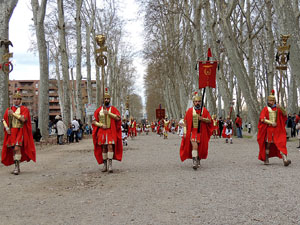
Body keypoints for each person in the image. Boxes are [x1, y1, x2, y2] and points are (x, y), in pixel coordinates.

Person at [1, 89, 36, 175]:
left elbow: (23, 119)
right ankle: (17, 166)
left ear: (20, 100)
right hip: (12, 132)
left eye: (18, 99)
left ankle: (16, 167)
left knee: (17, 148)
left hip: (20, 131)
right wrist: (6, 128)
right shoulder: (9, 109)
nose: (16, 101)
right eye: (14, 99)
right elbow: (3, 120)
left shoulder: (24, 109)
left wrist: (13, 114)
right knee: (13, 149)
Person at [92, 88, 123, 173]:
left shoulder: (113, 109)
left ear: (109, 100)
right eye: (105, 99)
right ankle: (105, 165)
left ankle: (110, 165)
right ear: (103, 100)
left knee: (110, 146)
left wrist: (108, 113)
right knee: (103, 148)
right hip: (102, 132)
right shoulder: (98, 110)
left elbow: (118, 118)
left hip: (110, 131)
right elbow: (94, 121)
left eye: (108, 99)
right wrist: (101, 125)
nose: (106, 100)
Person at [257, 90, 291, 166]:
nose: (270, 102)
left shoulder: (278, 109)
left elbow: (285, 115)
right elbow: (262, 119)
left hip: (278, 130)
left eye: (272, 101)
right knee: (268, 144)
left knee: (281, 143)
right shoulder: (265, 109)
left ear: (274, 101)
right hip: (269, 130)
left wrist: (281, 108)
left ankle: (285, 160)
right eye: (269, 100)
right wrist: (271, 123)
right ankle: (266, 159)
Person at [180, 92, 212, 170]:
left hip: (202, 132)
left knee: (201, 148)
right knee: (195, 146)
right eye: (196, 101)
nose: (197, 103)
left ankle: (198, 159)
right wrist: (184, 132)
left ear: (201, 102)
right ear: (193, 102)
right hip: (193, 132)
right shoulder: (189, 111)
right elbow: (185, 122)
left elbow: (210, 121)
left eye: (199, 101)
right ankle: (194, 162)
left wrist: (203, 119)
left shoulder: (204, 111)